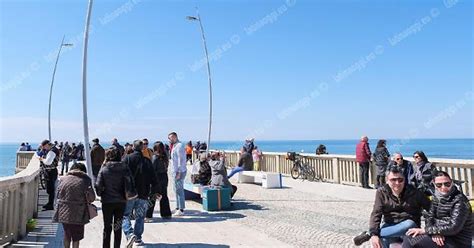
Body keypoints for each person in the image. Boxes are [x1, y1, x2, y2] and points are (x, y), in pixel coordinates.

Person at [353, 166, 431, 248]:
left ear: (404, 180)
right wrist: (374, 234)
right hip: (390, 225)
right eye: (393, 180)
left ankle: (368, 234)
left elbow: (431, 209)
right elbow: (376, 213)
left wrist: (429, 228)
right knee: (381, 240)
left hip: (409, 229)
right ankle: (373, 234)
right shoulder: (382, 192)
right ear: (387, 180)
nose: (397, 183)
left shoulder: (414, 192)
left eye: (400, 180)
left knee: (409, 223)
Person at [402, 171, 473, 248]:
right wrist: (434, 232)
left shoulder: (460, 200)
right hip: (441, 235)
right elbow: (429, 217)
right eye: (439, 185)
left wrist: (427, 231)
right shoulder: (437, 198)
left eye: (447, 184)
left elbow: (454, 227)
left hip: (457, 241)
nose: (443, 188)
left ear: (452, 183)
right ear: (434, 185)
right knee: (410, 237)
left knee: (411, 241)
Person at [122, 140, 160, 247]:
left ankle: (129, 234)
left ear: (133, 147)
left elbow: (122, 176)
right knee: (140, 216)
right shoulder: (147, 161)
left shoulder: (127, 159)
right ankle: (138, 239)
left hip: (129, 193)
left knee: (125, 215)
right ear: (143, 148)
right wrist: (155, 192)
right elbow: (154, 178)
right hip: (143, 192)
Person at [53, 163, 95, 248]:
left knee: (67, 235)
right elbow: (92, 198)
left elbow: (57, 195)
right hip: (79, 212)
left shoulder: (63, 179)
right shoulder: (86, 180)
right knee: (76, 237)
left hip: (64, 210)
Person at [95, 147, 130, 248]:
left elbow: (98, 185)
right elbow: (130, 182)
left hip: (107, 201)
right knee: (117, 227)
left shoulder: (104, 168)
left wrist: (100, 193)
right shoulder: (124, 167)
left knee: (107, 227)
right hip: (121, 201)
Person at [146, 141, 172, 220]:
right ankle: (166, 214)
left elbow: (152, 170)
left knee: (152, 197)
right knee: (164, 196)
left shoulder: (155, 157)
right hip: (164, 177)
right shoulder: (165, 156)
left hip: (157, 178)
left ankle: (148, 215)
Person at [168, 132, 187, 216]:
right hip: (175, 171)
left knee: (179, 190)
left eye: (171, 138)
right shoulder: (174, 146)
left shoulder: (179, 146)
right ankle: (177, 207)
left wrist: (179, 172)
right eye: (169, 138)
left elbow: (181, 160)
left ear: (175, 137)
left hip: (179, 171)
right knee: (176, 190)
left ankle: (181, 209)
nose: (170, 139)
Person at [38, 140, 60, 210]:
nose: (44, 148)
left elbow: (48, 162)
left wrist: (42, 159)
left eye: (44, 147)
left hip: (51, 171)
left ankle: (51, 205)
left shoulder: (52, 151)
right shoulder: (53, 149)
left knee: (51, 189)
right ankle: (50, 203)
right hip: (52, 171)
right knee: (50, 189)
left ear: (47, 145)